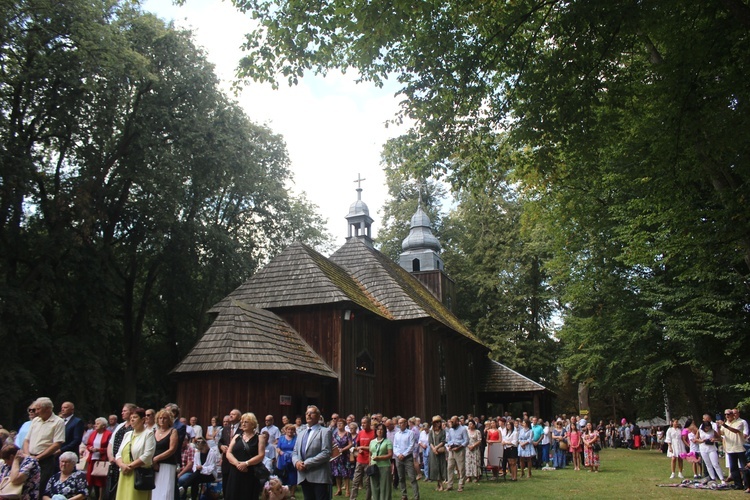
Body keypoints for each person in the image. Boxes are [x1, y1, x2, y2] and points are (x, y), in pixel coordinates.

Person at [23, 397, 66, 495]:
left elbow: (57, 444)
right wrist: (28, 456)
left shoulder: (58, 422)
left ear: (47, 409)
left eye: (38, 409)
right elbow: (26, 440)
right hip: (30, 458)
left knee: (41, 487)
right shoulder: (35, 421)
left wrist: (38, 457)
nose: (36, 412)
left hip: (45, 461)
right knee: (27, 487)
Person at [114, 407, 156, 500]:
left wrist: (130, 466)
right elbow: (118, 454)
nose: (132, 419)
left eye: (135, 417)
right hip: (124, 473)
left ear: (143, 420)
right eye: (131, 417)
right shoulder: (127, 434)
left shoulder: (148, 434)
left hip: (138, 474)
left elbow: (148, 455)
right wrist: (122, 465)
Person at [292, 405, 332, 500]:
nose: (308, 415)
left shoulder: (325, 431)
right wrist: (296, 462)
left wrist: (306, 463)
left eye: (311, 413)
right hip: (304, 475)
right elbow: (294, 452)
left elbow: (326, 452)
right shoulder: (301, 433)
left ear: (318, 416)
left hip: (319, 476)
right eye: (307, 413)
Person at [225, 412, 266, 500]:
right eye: (242, 422)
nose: (243, 424)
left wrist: (246, 463)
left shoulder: (259, 437)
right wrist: (237, 464)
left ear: (253, 424)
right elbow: (229, 453)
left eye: (246, 422)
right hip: (235, 472)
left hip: (250, 472)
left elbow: (261, 455)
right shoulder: (236, 437)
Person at [107, 403, 135, 500]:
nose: (122, 413)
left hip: (127, 464)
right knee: (112, 489)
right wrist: (110, 456)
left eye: (124, 411)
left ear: (131, 412)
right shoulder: (120, 426)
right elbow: (111, 443)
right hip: (115, 463)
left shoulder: (136, 426)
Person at [718, 409, 748, 490]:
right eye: (725, 414)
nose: (727, 416)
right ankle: (738, 484)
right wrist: (717, 427)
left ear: (733, 415)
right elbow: (721, 433)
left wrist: (724, 425)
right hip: (730, 449)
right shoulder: (726, 423)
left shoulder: (739, 422)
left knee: (744, 468)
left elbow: (735, 431)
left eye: (728, 414)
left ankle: (747, 485)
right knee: (733, 468)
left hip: (740, 448)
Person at [152, 409, 179, 500]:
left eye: (165, 418)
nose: (162, 420)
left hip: (167, 465)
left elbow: (172, 449)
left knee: (165, 491)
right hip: (154, 465)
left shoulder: (173, 431)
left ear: (169, 420)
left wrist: (156, 459)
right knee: (154, 490)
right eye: (160, 418)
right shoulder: (153, 431)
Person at [85, 418, 112, 500]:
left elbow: (109, 447)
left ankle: (101, 498)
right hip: (92, 459)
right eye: (95, 423)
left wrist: (99, 450)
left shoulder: (108, 434)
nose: (95, 425)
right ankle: (87, 496)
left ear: (104, 425)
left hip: (102, 460)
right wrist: (91, 448)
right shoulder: (93, 433)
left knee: (101, 481)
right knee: (89, 479)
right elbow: (88, 444)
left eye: (98, 423)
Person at [393, 417, 418, 500]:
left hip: (407, 458)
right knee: (401, 477)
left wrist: (403, 454)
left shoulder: (410, 433)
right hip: (398, 458)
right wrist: (398, 454)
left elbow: (411, 445)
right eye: (399, 423)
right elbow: (395, 446)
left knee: (412, 477)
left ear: (406, 423)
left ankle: (416, 496)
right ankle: (404, 495)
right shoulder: (397, 434)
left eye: (402, 423)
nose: (400, 424)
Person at [349, 417, 374, 500]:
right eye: (362, 423)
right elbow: (357, 445)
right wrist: (359, 449)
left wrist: (363, 447)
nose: (363, 424)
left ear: (369, 423)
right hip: (360, 460)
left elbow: (373, 447)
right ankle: (353, 498)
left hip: (369, 460)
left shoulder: (373, 433)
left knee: (368, 482)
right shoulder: (360, 433)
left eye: (365, 423)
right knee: (355, 481)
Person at [219, 410, 241, 497]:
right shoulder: (225, 428)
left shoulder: (242, 429)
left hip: (237, 461)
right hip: (226, 462)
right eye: (230, 414)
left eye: (233, 414)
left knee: (235, 486)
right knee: (226, 485)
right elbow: (220, 442)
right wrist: (221, 446)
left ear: (239, 417)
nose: (231, 416)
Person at [368, 423, 393, 500]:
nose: (379, 431)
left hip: (384, 466)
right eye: (378, 429)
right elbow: (370, 454)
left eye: (381, 429)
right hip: (374, 466)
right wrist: (370, 463)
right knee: (374, 486)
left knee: (384, 487)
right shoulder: (372, 442)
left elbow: (390, 455)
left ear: (384, 431)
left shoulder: (387, 442)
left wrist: (380, 458)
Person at [330, 419, 353, 496]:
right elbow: (332, 443)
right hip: (336, 456)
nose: (339, 425)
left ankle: (347, 490)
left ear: (344, 425)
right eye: (338, 424)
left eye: (341, 423)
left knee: (346, 473)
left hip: (345, 455)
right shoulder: (334, 434)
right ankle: (339, 489)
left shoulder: (347, 434)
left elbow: (350, 444)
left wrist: (343, 449)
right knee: (337, 473)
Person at [445, 416, 467, 492]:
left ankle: (461, 485)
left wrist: (459, 447)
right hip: (452, 450)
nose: (451, 423)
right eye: (451, 421)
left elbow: (466, 440)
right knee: (450, 467)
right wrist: (449, 445)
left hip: (459, 450)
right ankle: (450, 485)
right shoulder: (451, 430)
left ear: (457, 421)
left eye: (453, 421)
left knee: (461, 468)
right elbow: (449, 440)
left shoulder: (463, 429)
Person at [276, 425, 298, 498]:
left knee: (293, 476)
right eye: (288, 429)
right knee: (282, 476)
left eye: (292, 430)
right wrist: (280, 452)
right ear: (285, 430)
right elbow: (278, 448)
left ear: (294, 431)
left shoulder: (296, 438)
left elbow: (298, 448)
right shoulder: (281, 438)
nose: (290, 431)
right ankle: (282, 494)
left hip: (293, 459)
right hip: (282, 459)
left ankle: (292, 494)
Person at [427, 416, 446, 491]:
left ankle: (440, 484)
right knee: (435, 467)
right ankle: (438, 484)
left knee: (440, 467)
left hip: (440, 451)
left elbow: (443, 441)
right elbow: (430, 442)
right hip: (433, 452)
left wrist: (437, 447)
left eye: (439, 422)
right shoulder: (431, 431)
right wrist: (433, 449)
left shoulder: (443, 431)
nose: (439, 423)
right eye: (437, 422)